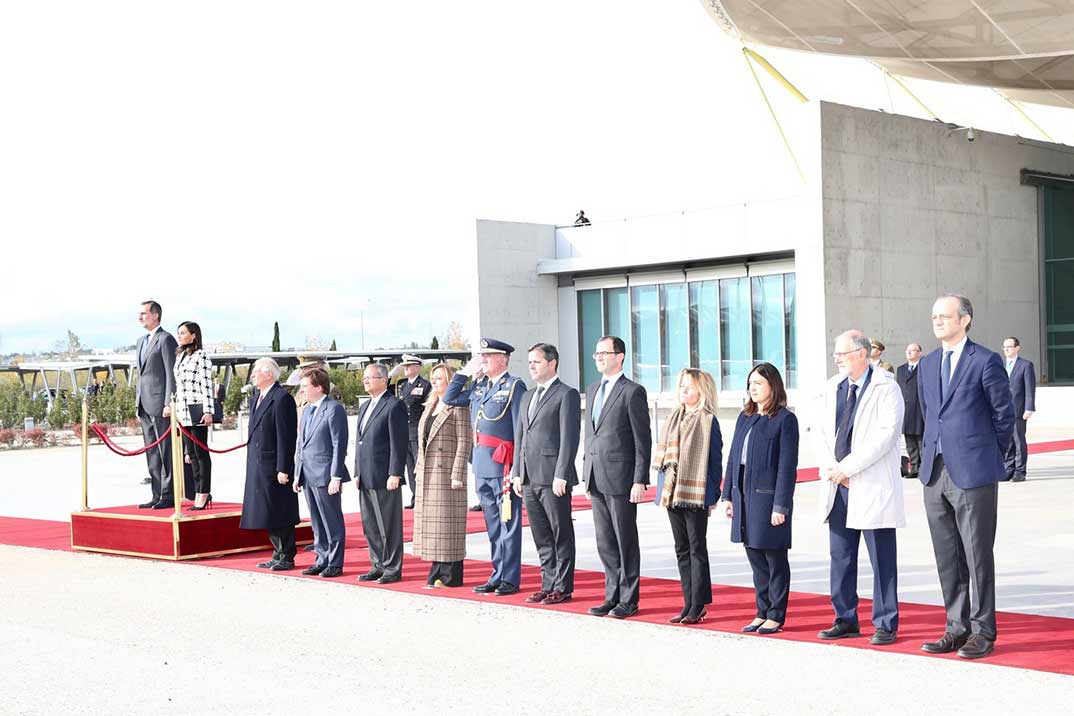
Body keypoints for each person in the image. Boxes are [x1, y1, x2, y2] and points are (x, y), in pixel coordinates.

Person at [918, 294, 1014, 660]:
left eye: (944, 315)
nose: (938, 321)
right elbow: (930, 416)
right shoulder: (927, 364)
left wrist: (986, 454)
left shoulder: (985, 361)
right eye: (934, 316)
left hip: (973, 473)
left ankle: (983, 631)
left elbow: (1004, 416)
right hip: (935, 472)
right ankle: (955, 628)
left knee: (977, 556)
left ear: (965, 319)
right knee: (947, 557)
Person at [814, 331, 905, 646]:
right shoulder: (831, 388)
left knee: (881, 557)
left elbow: (886, 436)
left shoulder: (886, 387)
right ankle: (845, 618)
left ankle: (885, 622)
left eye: (842, 353)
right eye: (836, 354)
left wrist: (848, 468)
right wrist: (833, 469)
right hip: (837, 484)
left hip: (869, 481)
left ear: (863, 354)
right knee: (840, 555)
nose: (837, 358)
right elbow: (821, 433)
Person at [443, 338, 526, 596]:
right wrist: (466, 373)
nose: (483, 360)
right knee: (492, 524)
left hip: (503, 465)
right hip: (481, 463)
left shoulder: (514, 386)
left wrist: (517, 470)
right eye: (482, 356)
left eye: (487, 356)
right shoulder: (480, 387)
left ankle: (509, 578)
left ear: (502, 359)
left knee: (508, 523)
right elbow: (450, 397)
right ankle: (496, 573)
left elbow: (520, 430)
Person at [721, 362, 798, 635]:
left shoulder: (785, 420)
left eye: (758, 384)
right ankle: (761, 611)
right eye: (750, 383)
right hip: (743, 495)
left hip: (768, 500)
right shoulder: (746, 416)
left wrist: (781, 505)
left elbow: (787, 467)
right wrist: (727, 494)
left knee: (774, 558)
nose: (753, 388)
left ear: (772, 386)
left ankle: (776, 614)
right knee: (754, 555)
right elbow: (732, 458)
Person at [581, 335, 652, 619]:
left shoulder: (632, 391)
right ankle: (611, 594)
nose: (598, 357)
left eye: (604, 353)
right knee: (605, 541)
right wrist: (586, 474)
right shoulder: (593, 388)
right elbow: (591, 435)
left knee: (625, 539)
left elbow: (642, 439)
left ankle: (628, 598)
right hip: (596, 477)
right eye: (596, 353)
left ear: (619, 356)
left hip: (622, 478)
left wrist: (639, 479)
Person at [511, 343, 581, 606]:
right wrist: (517, 472)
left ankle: (563, 587)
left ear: (552, 363)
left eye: (537, 361)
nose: (532, 366)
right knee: (541, 535)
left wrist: (562, 473)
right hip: (529, 477)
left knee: (560, 532)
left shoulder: (566, 394)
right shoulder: (527, 396)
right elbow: (520, 437)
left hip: (553, 478)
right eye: (529, 362)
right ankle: (547, 582)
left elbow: (569, 438)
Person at [652, 368, 723, 625]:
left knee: (696, 547)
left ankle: (699, 603)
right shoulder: (674, 417)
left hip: (695, 492)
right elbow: (665, 461)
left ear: (701, 391)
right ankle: (687, 601)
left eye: (690, 387)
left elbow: (716, 460)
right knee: (681, 547)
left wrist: (713, 494)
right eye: (682, 386)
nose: (684, 390)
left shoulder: (707, 420)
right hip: (673, 492)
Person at [413, 363, 472, 587]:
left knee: (448, 525)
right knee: (433, 525)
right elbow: (422, 442)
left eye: (440, 378)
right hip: (428, 472)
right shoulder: (431, 406)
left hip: (447, 472)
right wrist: (418, 468)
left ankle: (450, 574)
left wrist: (457, 472)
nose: (435, 382)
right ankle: (436, 569)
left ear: (450, 381)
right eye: (433, 378)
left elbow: (465, 440)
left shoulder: (458, 406)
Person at [239, 358, 300, 571]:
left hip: (274, 464)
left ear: (269, 374)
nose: (253, 375)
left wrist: (284, 467)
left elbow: (286, 436)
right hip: (258, 463)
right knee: (266, 511)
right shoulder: (258, 396)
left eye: (256, 371)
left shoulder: (281, 398)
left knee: (279, 509)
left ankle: (286, 555)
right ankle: (277, 553)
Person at [353, 363, 409, 584]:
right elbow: (359, 442)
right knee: (371, 524)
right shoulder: (365, 406)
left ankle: (392, 568)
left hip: (385, 474)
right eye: (364, 378)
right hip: (366, 474)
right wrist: (357, 470)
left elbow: (399, 442)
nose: (366, 381)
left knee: (389, 525)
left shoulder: (393, 405)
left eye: (370, 377)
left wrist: (395, 472)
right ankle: (377, 564)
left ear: (384, 380)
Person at [294, 367, 351, 578]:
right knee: (317, 522)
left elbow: (339, 444)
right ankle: (322, 558)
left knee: (331, 520)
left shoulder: (334, 409)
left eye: (305, 387)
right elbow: (301, 444)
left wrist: (336, 476)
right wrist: (297, 473)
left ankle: (335, 562)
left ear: (319, 387)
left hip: (326, 474)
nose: (302, 391)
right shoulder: (307, 410)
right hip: (308, 474)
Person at [135, 300, 178, 509]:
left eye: (144, 313)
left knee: (165, 450)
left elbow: (171, 373)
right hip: (144, 404)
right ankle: (156, 493)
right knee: (151, 451)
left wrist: (169, 401)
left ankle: (168, 495)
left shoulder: (166, 339)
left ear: (155, 315)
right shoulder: (141, 341)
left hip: (161, 404)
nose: (140, 317)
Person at [168, 321, 215, 510]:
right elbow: (179, 386)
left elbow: (206, 384)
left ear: (193, 335)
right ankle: (197, 490)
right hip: (183, 411)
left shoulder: (201, 356)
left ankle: (204, 491)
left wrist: (208, 410)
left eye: (183, 333)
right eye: (178, 333)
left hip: (198, 409)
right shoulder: (180, 357)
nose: (179, 336)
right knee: (191, 455)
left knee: (200, 452)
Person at [395, 354, 432, 509]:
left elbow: (428, 408)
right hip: (404, 432)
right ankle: (415, 497)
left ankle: (424, 497)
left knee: (419, 466)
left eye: (409, 366)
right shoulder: (401, 385)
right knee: (410, 468)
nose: (406, 368)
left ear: (417, 367)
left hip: (417, 431)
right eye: (405, 366)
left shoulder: (425, 385)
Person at [1002, 337, 1036, 483]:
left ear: (1017, 348)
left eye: (1009, 346)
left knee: (1018, 441)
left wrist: (1029, 408)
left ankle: (1020, 471)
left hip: (1018, 410)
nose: (1006, 349)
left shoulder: (1025, 365)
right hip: (1004, 411)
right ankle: (1009, 469)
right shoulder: (1002, 366)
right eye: (1004, 347)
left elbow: (1030, 388)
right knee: (1007, 441)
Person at [896, 343, 924, 479]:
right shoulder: (901, 369)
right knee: (910, 442)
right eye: (908, 351)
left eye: (913, 350)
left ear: (920, 353)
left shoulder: (924, 367)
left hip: (920, 409)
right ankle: (914, 468)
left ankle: (924, 468)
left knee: (921, 441)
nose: (910, 353)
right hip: (906, 410)